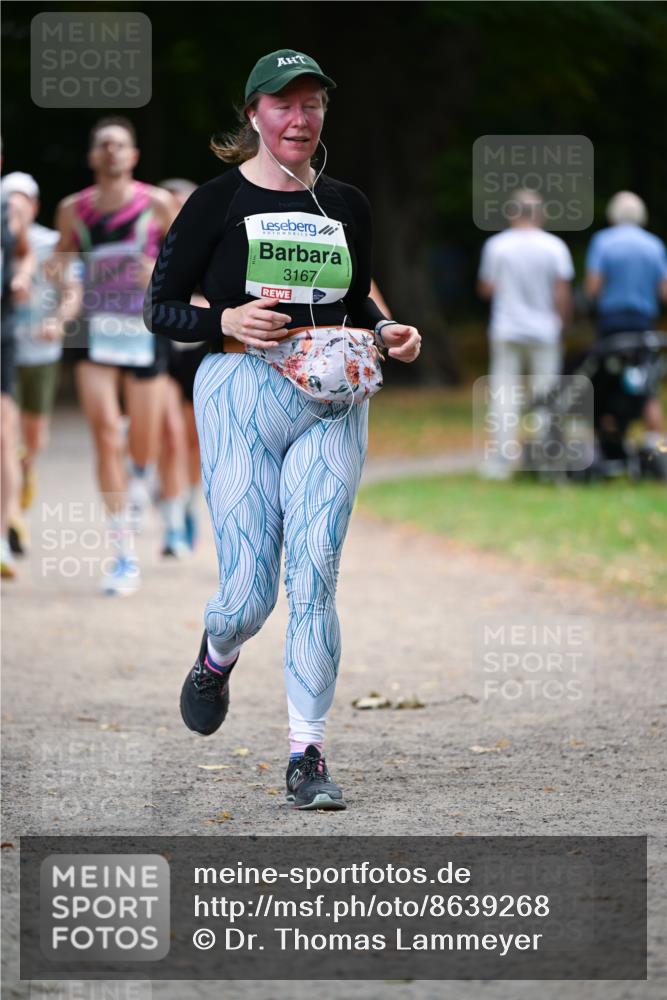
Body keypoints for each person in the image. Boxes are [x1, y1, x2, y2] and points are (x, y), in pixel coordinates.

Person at [145, 49, 421, 810]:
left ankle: (307, 753)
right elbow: (159, 307)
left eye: (312, 105)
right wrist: (224, 318)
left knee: (315, 573)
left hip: (331, 399)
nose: (298, 119)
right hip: (238, 390)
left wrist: (390, 327)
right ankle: (217, 652)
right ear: (253, 115)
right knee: (248, 595)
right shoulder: (213, 202)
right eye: (282, 104)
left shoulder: (346, 204)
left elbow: (358, 300)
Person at [53, 118, 177, 594]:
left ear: (134, 155)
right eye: (102, 145)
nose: (111, 152)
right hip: (93, 329)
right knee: (105, 435)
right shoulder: (73, 210)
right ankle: (123, 553)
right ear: (92, 156)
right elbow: (62, 262)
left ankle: (141, 478)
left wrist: (159, 276)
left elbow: (185, 257)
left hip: (145, 328)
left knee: (141, 445)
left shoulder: (157, 203)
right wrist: (64, 302)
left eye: (119, 145)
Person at [1, 172, 81, 556]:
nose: (13, 208)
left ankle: (25, 470)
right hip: (6, 352)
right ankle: (11, 517)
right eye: (7, 201)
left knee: (33, 438)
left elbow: (72, 292)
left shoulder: (51, 244)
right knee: (5, 435)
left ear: (34, 205)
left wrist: (59, 321)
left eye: (21, 201)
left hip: (41, 354)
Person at [477, 189, 574, 479]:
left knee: (504, 395)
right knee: (547, 394)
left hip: (506, 328)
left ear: (512, 213)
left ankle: (501, 462)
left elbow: (486, 288)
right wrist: (563, 326)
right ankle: (546, 461)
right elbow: (562, 294)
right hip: (545, 331)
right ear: (540, 214)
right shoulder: (555, 246)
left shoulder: (497, 245)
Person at [585, 191, 667, 448]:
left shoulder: (603, 242)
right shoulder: (654, 245)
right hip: (643, 324)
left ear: (613, 215)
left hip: (612, 324)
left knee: (606, 382)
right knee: (646, 386)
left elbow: (593, 288)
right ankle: (657, 446)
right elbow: (664, 290)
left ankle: (607, 442)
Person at [156, 178, 209, 557]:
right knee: (169, 436)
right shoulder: (148, 248)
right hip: (159, 348)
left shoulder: (211, 244)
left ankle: (191, 504)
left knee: (192, 440)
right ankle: (172, 523)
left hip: (199, 349)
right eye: (169, 203)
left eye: (183, 203)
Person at [1, 155, 34, 579]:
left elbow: (23, 251)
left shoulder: (8, 210)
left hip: (2, 333)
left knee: (4, 435)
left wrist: (23, 276)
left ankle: (4, 536)